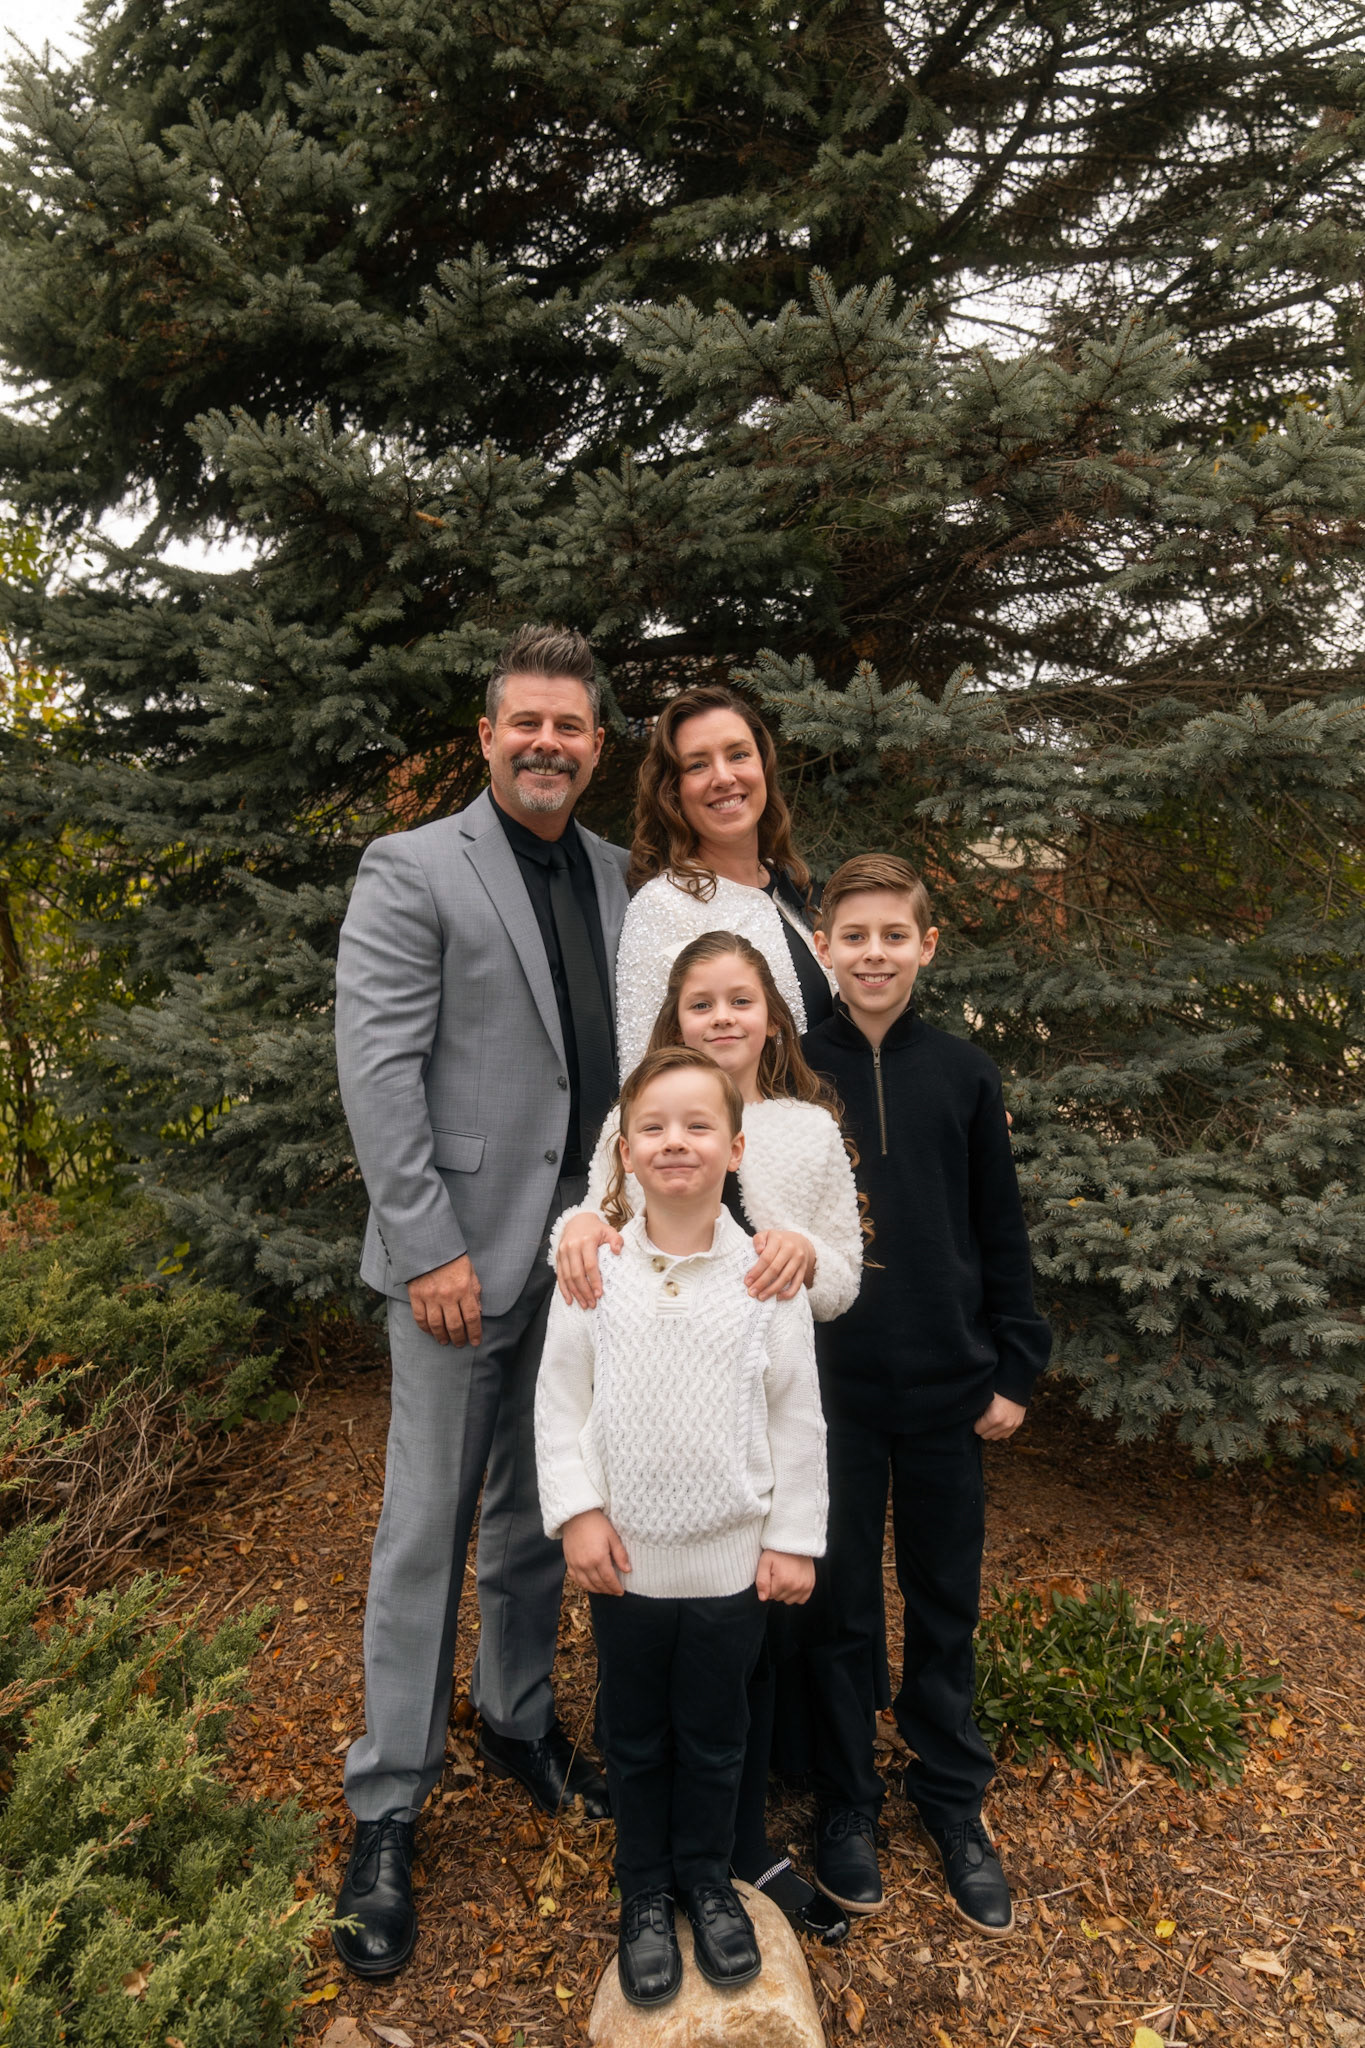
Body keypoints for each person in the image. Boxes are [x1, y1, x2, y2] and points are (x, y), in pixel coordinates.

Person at [331, 624, 627, 1978]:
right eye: (528, 723)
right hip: (456, 1259)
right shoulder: (414, 867)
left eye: (570, 726)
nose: (547, 744)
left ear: (596, 746)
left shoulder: (620, 877)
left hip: (583, 1256)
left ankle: (515, 1714)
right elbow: (379, 1072)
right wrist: (429, 1248)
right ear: (489, 735)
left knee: (535, 1511)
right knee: (426, 1530)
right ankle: (389, 1799)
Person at [554, 933, 862, 1944]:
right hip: (634, 1541)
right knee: (639, 1723)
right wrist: (578, 1510)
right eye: (700, 1002)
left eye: (740, 999)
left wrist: (793, 1536)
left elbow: (805, 1388)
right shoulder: (611, 1222)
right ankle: (650, 1886)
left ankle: (722, 1867)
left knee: (728, 1713)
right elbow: (563, 1381)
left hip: (738, 1517)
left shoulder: (787, 1185)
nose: (674, 1140)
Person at [800, 853, 1053, 1936]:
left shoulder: (964, 1073)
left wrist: (1015, 1362)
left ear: (926, 947)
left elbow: (999, 1226)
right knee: (839, 1605)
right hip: (833, 1393)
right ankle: (846, 1799)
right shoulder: (790, 1071)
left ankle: (950, 1794)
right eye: (853, 936)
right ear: (822, 947)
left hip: (950, 1388)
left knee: (944, 1599)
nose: (874, 955)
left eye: (893, 936)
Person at [615, 685, 834, 1075]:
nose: (723, 777)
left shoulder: (792, 887)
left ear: (762, 765)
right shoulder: (662, 906)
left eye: (738, 755)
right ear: (672, 790)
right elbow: (642, 1076)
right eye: (697, 765)